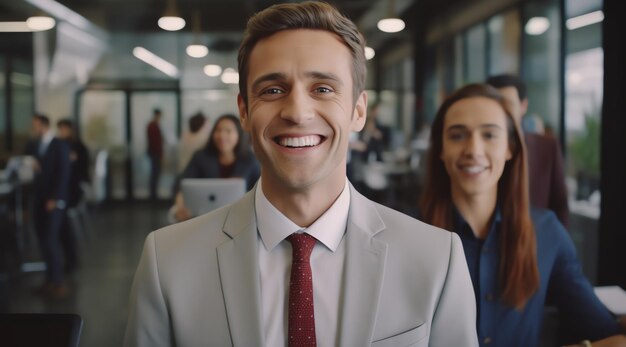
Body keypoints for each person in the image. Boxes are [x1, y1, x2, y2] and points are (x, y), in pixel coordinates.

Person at [124, 2, 478, 346]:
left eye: (322, 89)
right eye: (273, 90)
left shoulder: (435, 259)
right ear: (244, 111)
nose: (296, 111)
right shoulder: (167, 261)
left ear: (358, 111)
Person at [419, 83, 626, 346]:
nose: (473, 149)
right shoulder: (409, 233)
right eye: (457, 135)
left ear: (510, 148)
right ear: (441, 149)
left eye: (490, 135)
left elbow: (606, 334)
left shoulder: (546, 232)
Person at [486, 74, 569, 227]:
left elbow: (560, 205)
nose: (500, 111)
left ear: (523, 106)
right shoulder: (479, 150)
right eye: (493, 103)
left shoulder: (547, 146)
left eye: (507, 103)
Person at [172, 114, 260, 222]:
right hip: (203, 219)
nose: (222, 135)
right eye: (218, 130)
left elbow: (261, 190)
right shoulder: (201, 156)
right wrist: (180, 205)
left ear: (239, 134)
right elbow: (181, 184)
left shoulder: (250, 160)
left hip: (240, 219)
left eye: (228, 131)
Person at [27, 114, 71, 300]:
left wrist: (55, 198)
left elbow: (63, 172)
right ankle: (49, 279)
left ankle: (58, 282)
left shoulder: (58, 144)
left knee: (51, 239)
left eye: (35, 125)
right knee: (43, 240)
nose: (33, 128)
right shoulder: (36, 145)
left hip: (53, 201)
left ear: (43, 125)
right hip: (40, 200)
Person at [56, 119, 89, 273]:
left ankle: (67, 257)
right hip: (67, 190)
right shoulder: (60, 146)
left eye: (64, 129)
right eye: (60, 129)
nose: (61, 132)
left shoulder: (77, 147)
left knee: (57, 212)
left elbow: (79, 173)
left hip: (74, 192)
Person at [146, 108, 163, 200]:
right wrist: (159, 154)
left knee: (155, 173)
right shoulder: (152, 126)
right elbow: (155, 142)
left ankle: (153, 193)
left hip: (155, 153)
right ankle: (153, 195)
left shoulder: (153, 125)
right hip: (155, 153)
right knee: (155, 173)